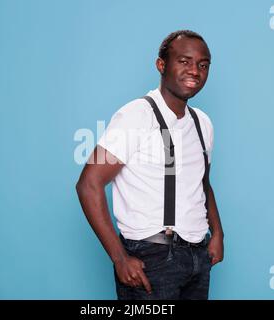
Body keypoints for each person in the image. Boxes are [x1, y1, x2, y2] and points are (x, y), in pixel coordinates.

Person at [76, 30, 224, 300]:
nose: (195, 71)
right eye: (184, 61)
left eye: (203, 65)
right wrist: (119, 258)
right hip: (152, 258)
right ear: (161, 65)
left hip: (198, 258)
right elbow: (88, 183)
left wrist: (217, 233)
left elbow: (202, 183)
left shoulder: (203, 123)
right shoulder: (135, 115)